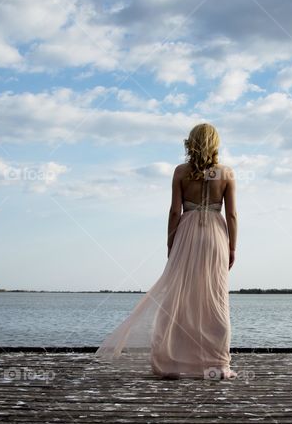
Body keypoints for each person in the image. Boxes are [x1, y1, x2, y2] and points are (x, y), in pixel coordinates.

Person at [94, 123, 238, 380]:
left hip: (186, 234)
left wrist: (171, 243)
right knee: (215, 298)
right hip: (215, 235)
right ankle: (216, 364)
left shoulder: (181, 172)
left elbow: (174, 212)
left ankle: (170, 361)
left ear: (190, 142)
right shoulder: (226, 173)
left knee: (177, 297)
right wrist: (232, 247)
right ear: (215, 143)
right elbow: (233, 214)